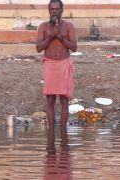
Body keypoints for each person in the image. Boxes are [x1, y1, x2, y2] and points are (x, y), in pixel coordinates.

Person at [36, 0, 77, 129]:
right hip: (50, 65)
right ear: (49, 10)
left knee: (64, 100)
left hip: (64, 64)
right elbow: (38, 48)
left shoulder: (68, 26)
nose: (55, 11)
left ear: (61, 10)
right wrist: (51, 37)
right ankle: (51, 131)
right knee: (50, 100)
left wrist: (60, 37)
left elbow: (74, 47)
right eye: (52, 9)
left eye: (57, 9)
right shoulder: (43, 26)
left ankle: (63, 131)